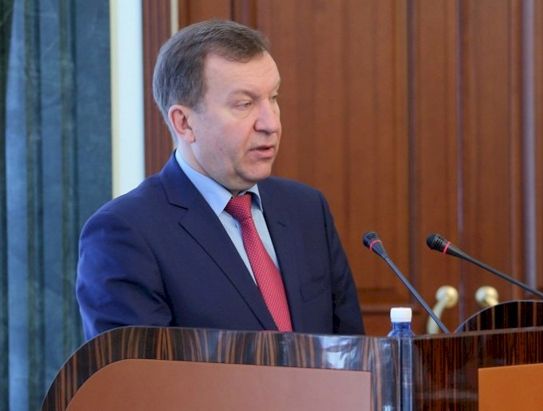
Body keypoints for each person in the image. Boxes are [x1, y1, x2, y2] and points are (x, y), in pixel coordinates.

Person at [76, 19, 364, 340]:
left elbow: (351, 352)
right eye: (245, 104)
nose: (270, 123)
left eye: (273, 97)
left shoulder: (306, 209)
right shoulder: (123, 234)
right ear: (184, 123)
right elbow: (140, 371)